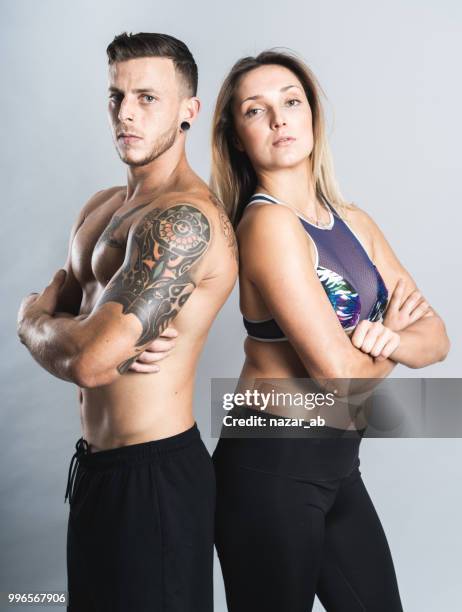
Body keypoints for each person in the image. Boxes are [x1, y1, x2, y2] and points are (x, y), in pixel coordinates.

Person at [209, 50, 450, 611]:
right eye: (256, 110)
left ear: (313, 115)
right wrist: (392, 337)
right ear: (237, 136)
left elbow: (437, 336)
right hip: (270, 467)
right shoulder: (266, 224)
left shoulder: (353, 221)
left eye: (291, 102)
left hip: (337, 464)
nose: (279, 119)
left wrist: (383, 342)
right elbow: (339, 377)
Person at [16, 32, 238, 612]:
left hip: (154, 480)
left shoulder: (184, 221)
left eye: (148, 97)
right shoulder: (101, 207)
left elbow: (87, 358)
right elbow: (67, 317)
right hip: (95, 470)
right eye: (117, 96)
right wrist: (62, 327)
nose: (127, 113)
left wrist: (30, 324)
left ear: (188, 111)